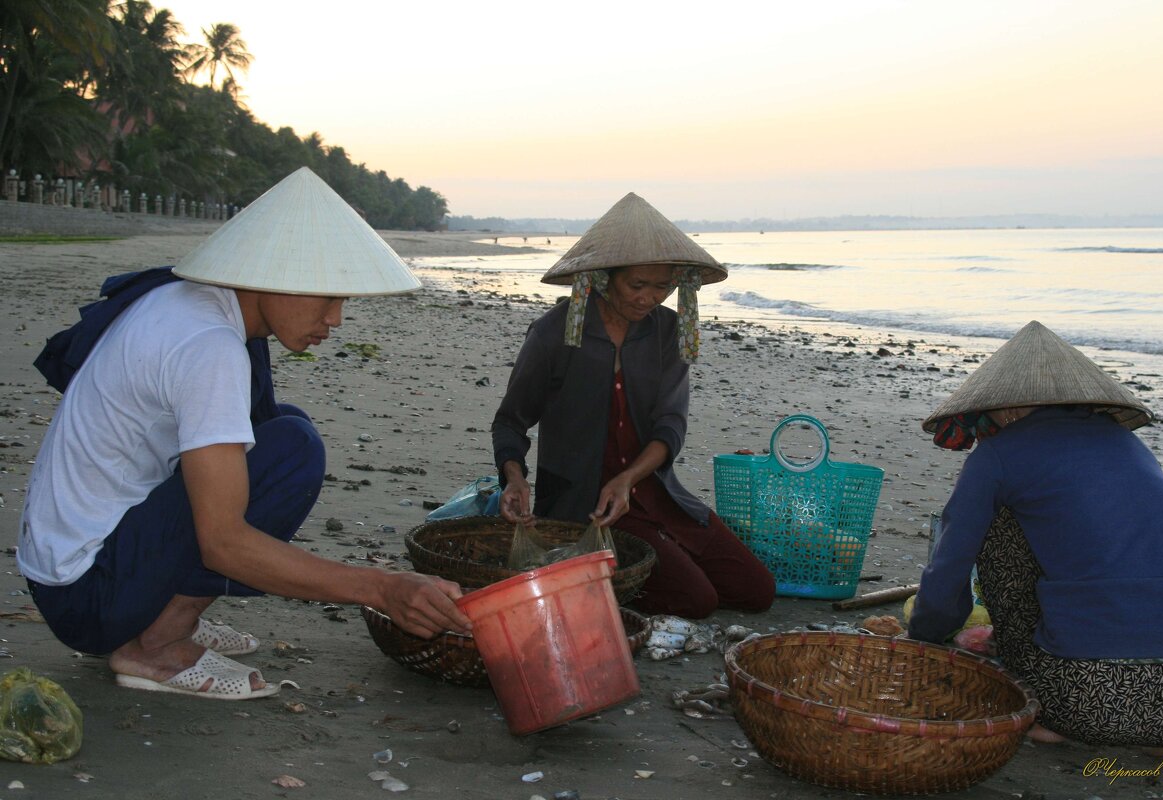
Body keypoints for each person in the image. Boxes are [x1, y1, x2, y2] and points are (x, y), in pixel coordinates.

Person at [19, 167, 470, 701]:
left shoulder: (192, 301)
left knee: (286, 427)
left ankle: (160, 615)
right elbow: (224, 543)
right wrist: (384, 589)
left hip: (68, 565)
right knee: (293, 453)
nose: (338, 318)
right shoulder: (209, 345)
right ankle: (156, 644)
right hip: (86, 593)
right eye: (327, 296)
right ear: (265, 274)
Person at [907, 320, 1163, 753]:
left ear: (1005, 408)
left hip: (1083, 702)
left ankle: (1057, 710)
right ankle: (1159, 734)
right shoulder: (1130, 447)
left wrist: (925, 638)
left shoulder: (999, 455)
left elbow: (951, 563)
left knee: (998, 523)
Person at [491, 192, 775, 618]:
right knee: (697, 602)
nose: (648, 298)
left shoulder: (667, 332)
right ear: (605, 278)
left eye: (662, 286)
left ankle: (642, 565)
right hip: (586, 507)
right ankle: (597, 576)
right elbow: (510, 422)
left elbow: (670, 426)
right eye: (637, 285)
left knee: (756, 591)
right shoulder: (553, 334)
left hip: (656, 493)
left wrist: (628, 481)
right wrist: (514, 478)